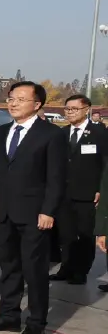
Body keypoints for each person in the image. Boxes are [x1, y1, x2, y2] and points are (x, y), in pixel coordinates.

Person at [0, 81, 66, 334]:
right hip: (4, 212)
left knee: (34, 270)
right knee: (9, 267)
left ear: (37, 105)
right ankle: (8, 315)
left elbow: (56, 178)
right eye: (11, 98)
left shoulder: (51, 134)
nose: (13, 103)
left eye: (20, 99)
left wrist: (49, 211)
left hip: (35, 215)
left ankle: (36, 322)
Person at [51, 95, 106, 285]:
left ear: (86, 109)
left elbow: (105, 164)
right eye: (67, 109)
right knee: (65, 235)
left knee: (84, 235)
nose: (70, 113)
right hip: (63, 193)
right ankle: (66, 268)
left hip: (88, 193)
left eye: (74, 109)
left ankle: (81, 271)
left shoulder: (99, 133)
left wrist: (101, 189)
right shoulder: (61, 133)